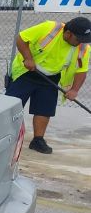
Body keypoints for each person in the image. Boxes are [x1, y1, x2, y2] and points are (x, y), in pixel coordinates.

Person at [6, 16, 90, 154]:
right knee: (12, 106)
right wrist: (28, 58)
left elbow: (81, 71)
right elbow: (21, 38)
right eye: (78, 38)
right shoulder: (49, 28)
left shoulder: (83, 48)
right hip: (26, 72)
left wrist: (74, 90)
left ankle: (38, 140)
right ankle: (3, 135)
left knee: (44, 110)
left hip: (51, 77)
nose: (81, 42)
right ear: (68, 33)